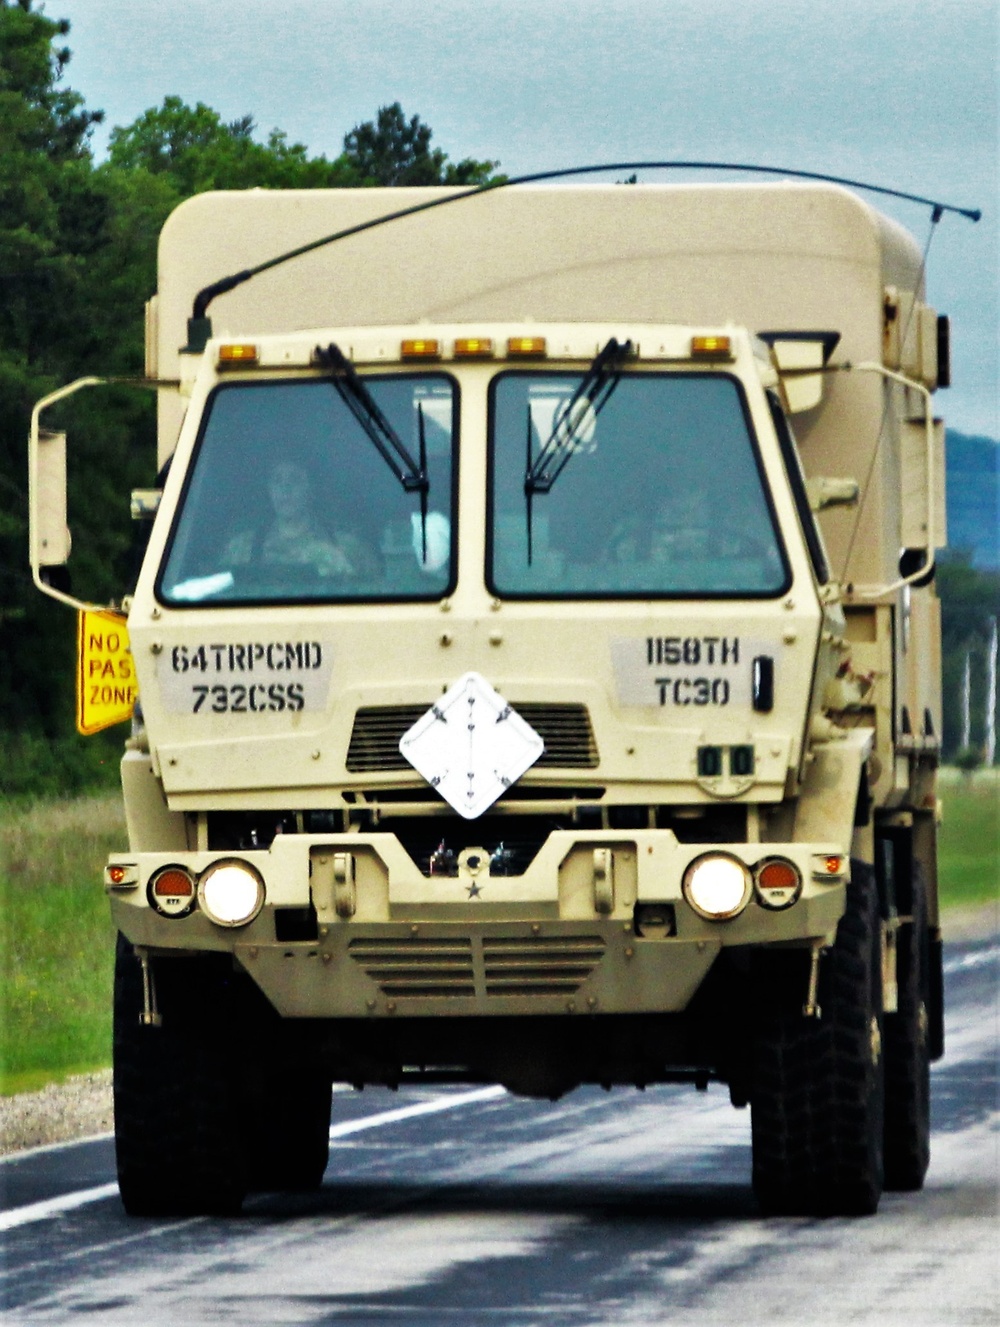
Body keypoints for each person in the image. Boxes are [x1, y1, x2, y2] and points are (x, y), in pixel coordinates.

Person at [225, 459, 377, 580]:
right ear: (269, 490)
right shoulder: (242, 549)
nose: (285, 489)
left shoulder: (348, 547)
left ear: (312, 489)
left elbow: (375, 595)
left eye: (295, 479)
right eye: (277, 480)